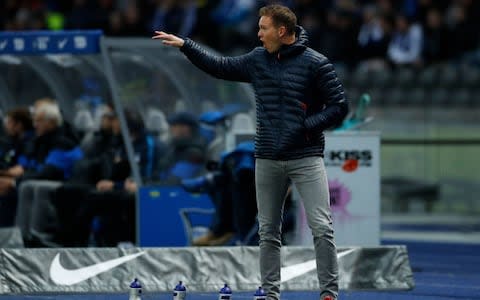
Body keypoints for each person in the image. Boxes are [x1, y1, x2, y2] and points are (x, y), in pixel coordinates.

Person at [153, 4, 348, 300]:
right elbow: (219, 66)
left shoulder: (316, 63)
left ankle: (329, 294)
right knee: (268, 232)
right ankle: (270, 295)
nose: (258, 34)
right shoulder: (258, 60)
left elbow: (339, 107)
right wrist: (186, 46)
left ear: (282, 31)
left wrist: (306, 128)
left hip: (306, 157)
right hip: (267, 157)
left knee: (322, 228)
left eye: (263, 28)